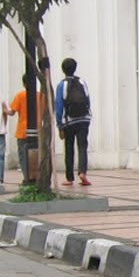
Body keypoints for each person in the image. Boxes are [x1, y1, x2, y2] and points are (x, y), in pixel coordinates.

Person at [55, 58, 92, 187]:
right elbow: (87, 99)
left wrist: (59, 125)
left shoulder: (62, 85)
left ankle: (69, 178)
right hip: (84, 119)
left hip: (69, 121)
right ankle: (83, 172)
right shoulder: (82, 82)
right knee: (82, 146)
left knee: (69, 148)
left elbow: (59, 106)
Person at [7, 74, 43, 183]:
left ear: (23, 83)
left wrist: (4, 109)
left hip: (22, 131)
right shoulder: (40, 95)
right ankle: (36, 176)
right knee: (37, 154)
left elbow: (12, 112)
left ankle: (26, 177)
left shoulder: (20, 95)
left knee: (23, 156)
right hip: (38, 130)